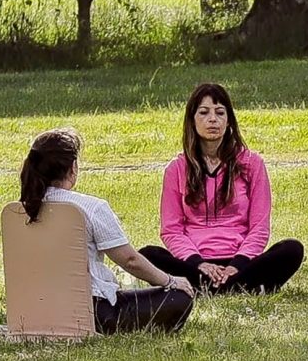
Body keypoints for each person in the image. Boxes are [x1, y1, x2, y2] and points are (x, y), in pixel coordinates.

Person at [17, 129, 195, 335]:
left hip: (35, 310)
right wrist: (171, 281)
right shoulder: (90, 207)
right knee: (178, 298)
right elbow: (130, 260)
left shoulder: (19, 211)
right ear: (72, 167)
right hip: (93, 313)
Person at [139, 82, 305, 295]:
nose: (212, 119)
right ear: (192, 120)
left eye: (219, 113)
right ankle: (239, 288)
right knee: (148, 255)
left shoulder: (252, 163)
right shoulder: (176, 169)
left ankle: (217, 287)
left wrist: (237, 265)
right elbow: (171, 229)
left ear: (229, 121)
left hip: (242, 262)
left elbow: (259, 227)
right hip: (194, 263)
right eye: (204, 112)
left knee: (291, 249)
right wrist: (199, 263)